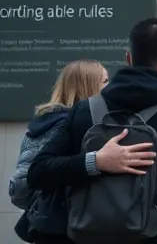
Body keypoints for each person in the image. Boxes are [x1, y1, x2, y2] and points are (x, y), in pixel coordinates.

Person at [28, 18, 157, 244]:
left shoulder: (84, 111)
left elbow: (38, 173)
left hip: (90, 235)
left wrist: (94, 162)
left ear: (128, 58)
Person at [9, 60, 108, 244]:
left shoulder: (42, 122)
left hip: (45, 224)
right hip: (63, 225)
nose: (108, 88)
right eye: (104, 81)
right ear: (88, 86)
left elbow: (21, 186)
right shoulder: (67, 126)